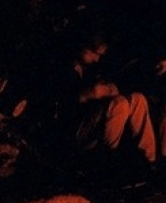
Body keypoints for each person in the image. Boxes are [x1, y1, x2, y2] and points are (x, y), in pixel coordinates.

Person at [45, 29, 157, 169]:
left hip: (94, 122)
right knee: (119, 104)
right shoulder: (61, 67)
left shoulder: (92, 68)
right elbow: (55, 105)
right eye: (95, 53)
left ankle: (149, 159)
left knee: (137, 99)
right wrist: (86, 95)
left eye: (100, 55)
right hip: (71, 131)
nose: (97, 59)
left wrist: (109, 90)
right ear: (82, 47)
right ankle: (107, 160)